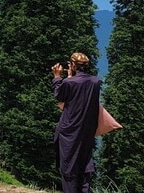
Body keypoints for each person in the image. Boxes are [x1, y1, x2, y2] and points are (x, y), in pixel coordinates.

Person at [52, 52, 101, 193]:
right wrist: (69, 77)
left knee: (69, 169)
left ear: (73, 65)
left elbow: (60, 95)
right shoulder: (96, 82)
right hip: (87, 130)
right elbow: (79, 93)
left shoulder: (69, 83)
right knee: (85, 166)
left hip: (69, 131)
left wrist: (57, 77)